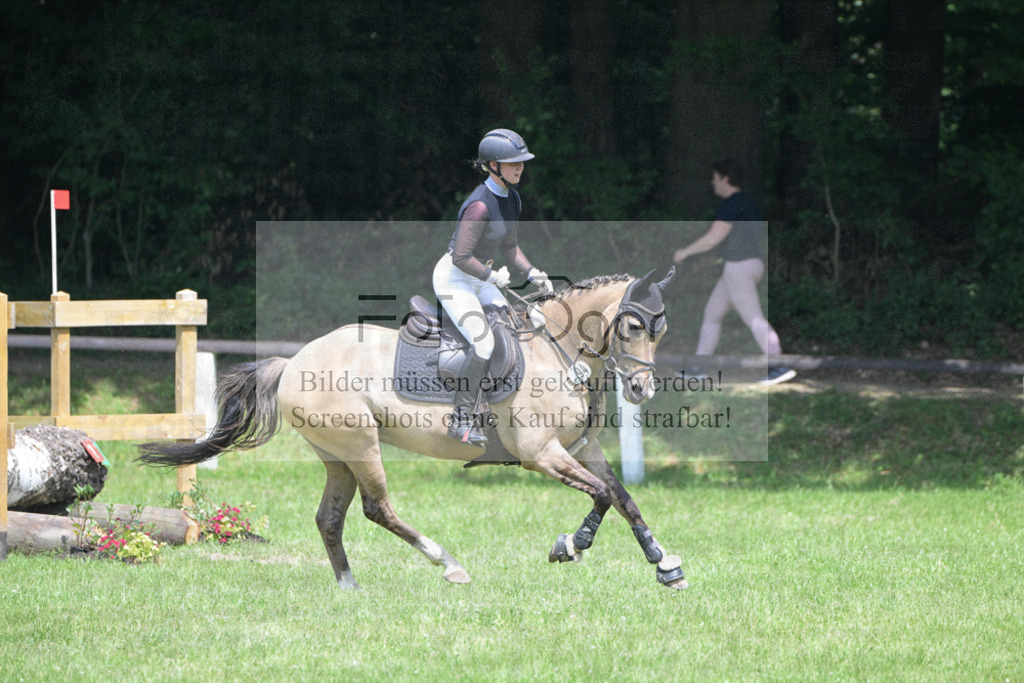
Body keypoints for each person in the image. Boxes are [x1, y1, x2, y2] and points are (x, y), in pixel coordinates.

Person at [433, 129, 554, 445]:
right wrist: (490, 278)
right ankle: (460, 421)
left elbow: (510, 246)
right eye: (513, 163)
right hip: (455, 278)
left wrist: (532, 272)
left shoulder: (512, 198)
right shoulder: (479, 206)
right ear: (493, 166)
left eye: (522, 163)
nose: (520, 168)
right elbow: (460, 257)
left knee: (514, 328)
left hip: (481, 275)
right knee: (484, 344)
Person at [672, 159, 795, 386]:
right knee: (712, 314)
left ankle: (779, 365)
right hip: (749, 265)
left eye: (715, 178)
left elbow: (714, 237)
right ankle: (698, 368)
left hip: (739, 266)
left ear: (725, 179)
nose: (712, 183)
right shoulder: (748, 202)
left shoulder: (731, 203)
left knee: (754, 317)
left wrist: (684, 252)